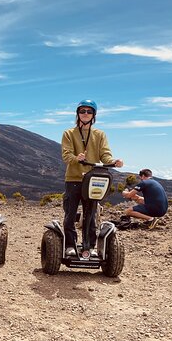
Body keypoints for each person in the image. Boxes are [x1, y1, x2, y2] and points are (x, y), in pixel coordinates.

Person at [61, 99, 124, 257]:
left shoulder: (100, 134)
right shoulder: (69, 133)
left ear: (93, 115)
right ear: (78, 114)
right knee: (70, 214)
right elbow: (66, 155)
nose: (86, 114)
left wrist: (112, 162)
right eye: (82, 111)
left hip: (93, 179)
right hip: (74, 179)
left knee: (91, 214)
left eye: (89, 111)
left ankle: (89, 246)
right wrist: (77, 157)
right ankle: (70, 244)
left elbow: (105, 153)